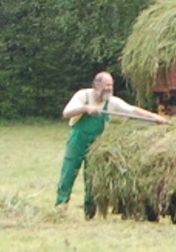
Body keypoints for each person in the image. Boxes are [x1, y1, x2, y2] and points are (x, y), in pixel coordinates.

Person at [58, 70, 167, 216]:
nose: (109, 88)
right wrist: (85, 108)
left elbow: (132, 110)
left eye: (111, 85)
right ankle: (60, 207)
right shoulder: (83, 96)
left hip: (97, 143)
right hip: (77, 140)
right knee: (69, 172)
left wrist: (155, 117)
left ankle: (90, 212)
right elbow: (66, 113)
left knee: (92, 177)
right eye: (106, 85)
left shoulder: (112, 102)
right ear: (96, 85)